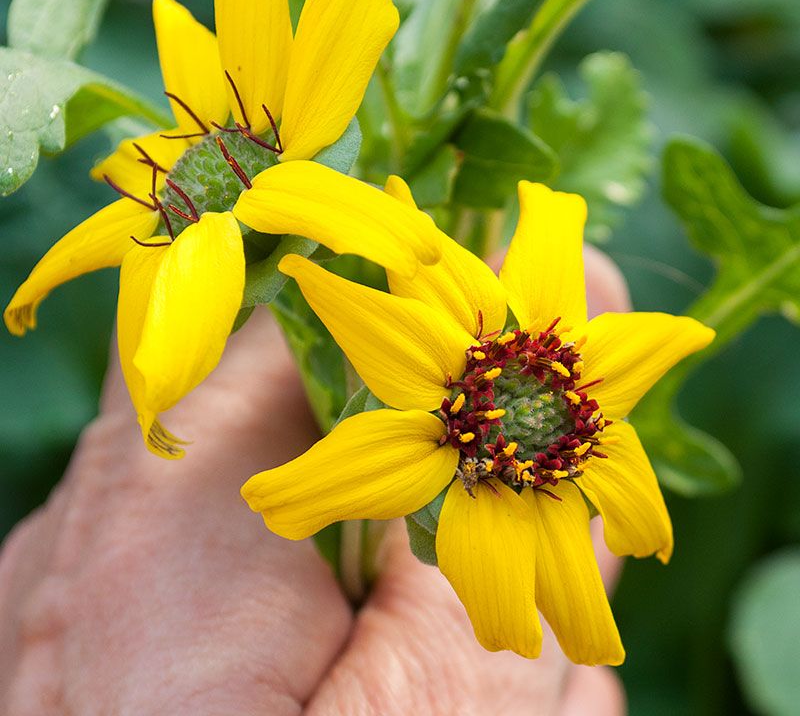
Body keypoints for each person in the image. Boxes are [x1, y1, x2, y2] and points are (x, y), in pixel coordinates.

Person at [0, 247, 628, 714]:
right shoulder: (436, 404)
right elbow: (412, 255)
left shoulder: (555, 466)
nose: (533, 410)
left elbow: (507, 629)